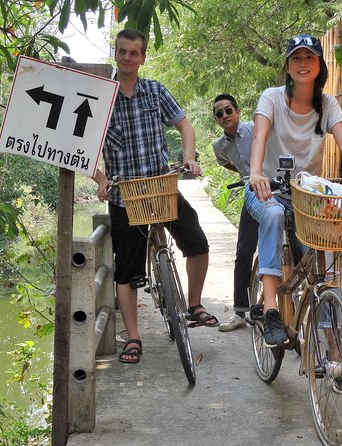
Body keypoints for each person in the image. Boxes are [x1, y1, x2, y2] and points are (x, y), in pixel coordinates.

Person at [94, 29, 219, 364]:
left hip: (161, 187)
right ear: (116, 53)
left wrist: (190, 157)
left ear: (142, 57)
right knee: (126, 272)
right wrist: (101, 179)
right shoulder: (102, 98)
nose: (127, 58)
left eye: (134, 53)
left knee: (197, 242)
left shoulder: (154, 91)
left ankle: (194, 304)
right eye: (122, 52)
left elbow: (185, 126)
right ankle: (133, 338)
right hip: (124, 195)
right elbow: (86, 147)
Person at [246, 34, 342, 347]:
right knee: (274, 214)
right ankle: (270, 310)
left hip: (307, 198)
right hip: (267, 189)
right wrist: (254, 173)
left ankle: (333, 354)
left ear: (319, 65)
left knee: (325, 266)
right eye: (296, 58)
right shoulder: (272, 98)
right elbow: (259, 137)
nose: (303, 64)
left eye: (310, 58)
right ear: (287, 67)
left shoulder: (328, 104)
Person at [211, 94, 259, 331]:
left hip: (275, 191)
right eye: (219, 113)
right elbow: (224, 162)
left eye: (228, 110)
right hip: (251, 195)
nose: (225, 116)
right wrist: (245, 175)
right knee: (243, 253)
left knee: (287, 248)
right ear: (217, 120)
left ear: (238, 111)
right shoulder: (219, 146)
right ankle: (241, 312)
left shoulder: (255, 129)